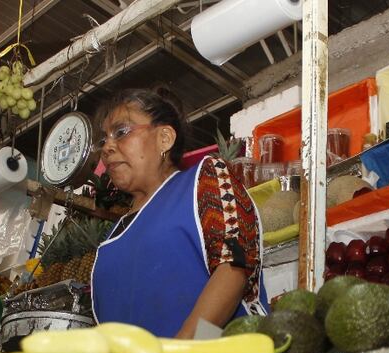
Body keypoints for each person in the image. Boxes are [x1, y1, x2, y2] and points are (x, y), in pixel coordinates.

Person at [90, 87, 269, 339]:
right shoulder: (109, 241)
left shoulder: (204, 180)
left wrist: (189, 348)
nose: (107, 147)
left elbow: (235, 268)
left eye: (121, 132)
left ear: (164, 138)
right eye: (103, 140)